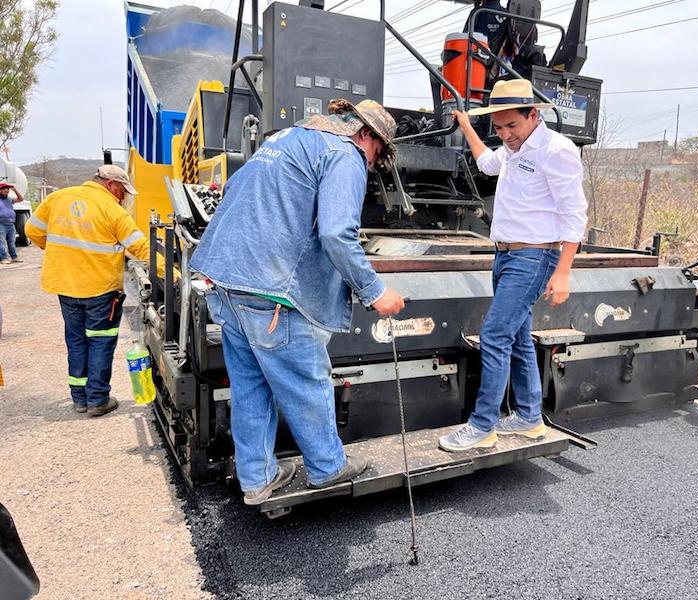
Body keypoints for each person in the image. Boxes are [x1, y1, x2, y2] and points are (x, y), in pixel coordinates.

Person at [189, 99, 406, 505]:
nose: (373, 162)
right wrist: (376, 292)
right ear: (366, 135)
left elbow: (236, 195)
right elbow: (337, 234)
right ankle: (327, 467)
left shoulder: (287, 139)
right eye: (377, 153)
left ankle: (257, 479)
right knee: (306, 383)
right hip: (273, 291)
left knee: (252, 386)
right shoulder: (345, 153)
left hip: (227, 281)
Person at [439, 79, 588, 452]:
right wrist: (469, 129)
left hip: (535, 256)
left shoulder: (557, 151)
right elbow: (487, 164)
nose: (506, 134)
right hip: (505, 255)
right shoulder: (510, 150)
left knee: (494, 336)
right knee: (518, 339)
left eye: (513, 126)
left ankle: (482, 425)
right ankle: (529, 419)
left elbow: (575, 215)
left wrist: (563, 271)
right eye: (500, 127)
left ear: (534, 115)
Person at [25, 165, 162, 417]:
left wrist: (58, 252)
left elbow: (32, 231)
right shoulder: (113, 210)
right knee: (100, 341)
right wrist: (173, 273)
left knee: (76, 340)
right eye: (122, 190)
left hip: (65, 285)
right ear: (110, 184)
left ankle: (79, 399)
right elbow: (141, 248)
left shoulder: (57, 199)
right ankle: (97, 399)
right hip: (100, 290)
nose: (123, 196)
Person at [0, 182, 24, 264]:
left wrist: (15, 190)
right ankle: (3, 258)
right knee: (1, 242)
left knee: (11, 242)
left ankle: (14, 257)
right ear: (0, 190)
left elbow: (21, 199)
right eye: (5, 190)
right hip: (1, 224)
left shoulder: (9, 199)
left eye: (8, 190)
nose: (7, 191)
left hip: (11, 224)